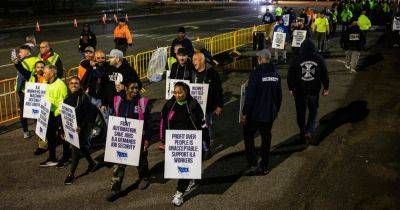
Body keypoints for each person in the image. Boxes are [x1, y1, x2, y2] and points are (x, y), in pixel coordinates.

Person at [159, 82, 206, 206]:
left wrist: (204, 138)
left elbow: (202, 122)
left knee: (186, 169)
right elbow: (163, 123)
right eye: (175, 92)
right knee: (180, 169)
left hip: (190, 142)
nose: (177, 95)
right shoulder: (169, 105)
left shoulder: (193, 105)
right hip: (175, 143)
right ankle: (190, 179)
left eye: (180, 92)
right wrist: (163, 140)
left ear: (187, 92)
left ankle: (179, 194)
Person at [240, 49, 282, 176]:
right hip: (269, 113)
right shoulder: (275, 73)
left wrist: (244, 113)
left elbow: (250, 96)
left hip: (255, 113)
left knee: (248, 135)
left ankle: (253, 163)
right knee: (266, 138)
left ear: (260, 59)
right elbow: (279, 96)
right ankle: (264, 166)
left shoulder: (256, 73)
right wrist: (275, 111)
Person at [108, 79, 152, 195]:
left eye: (137, 88)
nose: (135, 90)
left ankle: (144, 177)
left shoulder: (142, 102)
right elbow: (114, 118)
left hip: (139, 138)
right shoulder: (118, 100)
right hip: (122, 138)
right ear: (126, 88)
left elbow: (148, 122)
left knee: (141, 160)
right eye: (132, 88)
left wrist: (147, 138)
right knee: (119, 163)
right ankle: (115, 188)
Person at [287, 39, 329, 144]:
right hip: (314, 90)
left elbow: (290, 74)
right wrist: (326, 88)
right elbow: (324, 73)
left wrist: (290, 87)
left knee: (300, 112)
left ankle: (302, 131)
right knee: (313, 111)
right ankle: (310, 130)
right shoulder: (319, 58)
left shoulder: (296, 58)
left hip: (299, 90)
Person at [63, 76, 98, 185]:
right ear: (69, 86)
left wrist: (81, 126)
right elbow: (65, 116)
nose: (74, 85)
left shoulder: (84, 98)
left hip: (83, 127)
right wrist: (63, 129)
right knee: (81, 147)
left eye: (76, 83)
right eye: (72, 83)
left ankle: (71, 174)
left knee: (75, 150)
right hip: (72, 128)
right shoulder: (67, 99)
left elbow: (90, 114)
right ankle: (92, 163)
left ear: (80, 85)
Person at [191, 52, 223, 159]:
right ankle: (199, 149)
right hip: (195, 108)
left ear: (202, 60)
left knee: (206, 128)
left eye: (195, 59)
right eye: (193, 59)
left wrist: (219, 106)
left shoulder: (212, 73)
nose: (193, 62)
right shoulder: (193, 73)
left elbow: (219, 90)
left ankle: (207, 149)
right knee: (196, 128)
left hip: (208, 107)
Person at [100, 49, 142, 123]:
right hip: (111, 105)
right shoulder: (108, 69)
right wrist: (104, 102)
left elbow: (139, 85)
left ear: (117, 59)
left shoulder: (129, 70)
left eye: (111, 57)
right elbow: (104, 85)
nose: (108, 59)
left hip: (125, 106)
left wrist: (125, 87)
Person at [40, 65, 69, 167]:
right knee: (50, 137)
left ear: (52, 73)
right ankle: (52, 158)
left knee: (63, 137)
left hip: (58, 115)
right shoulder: (44, 83)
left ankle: (65, 159)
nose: (43, 75)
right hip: (48, 113)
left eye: (45, 73)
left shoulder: (61, 85)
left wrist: (59, 116)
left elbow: (64, 103)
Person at [11, 45, 41, 139]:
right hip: (38, 89)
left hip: (26, 91)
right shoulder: (38, 59)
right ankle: (39, 130)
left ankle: (26, 132)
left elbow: (21, 78)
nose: (19, 54)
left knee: (23, 112)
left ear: (27, 52)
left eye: (20, 52)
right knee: (37, 110)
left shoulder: (25, 62)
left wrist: (18, 90)